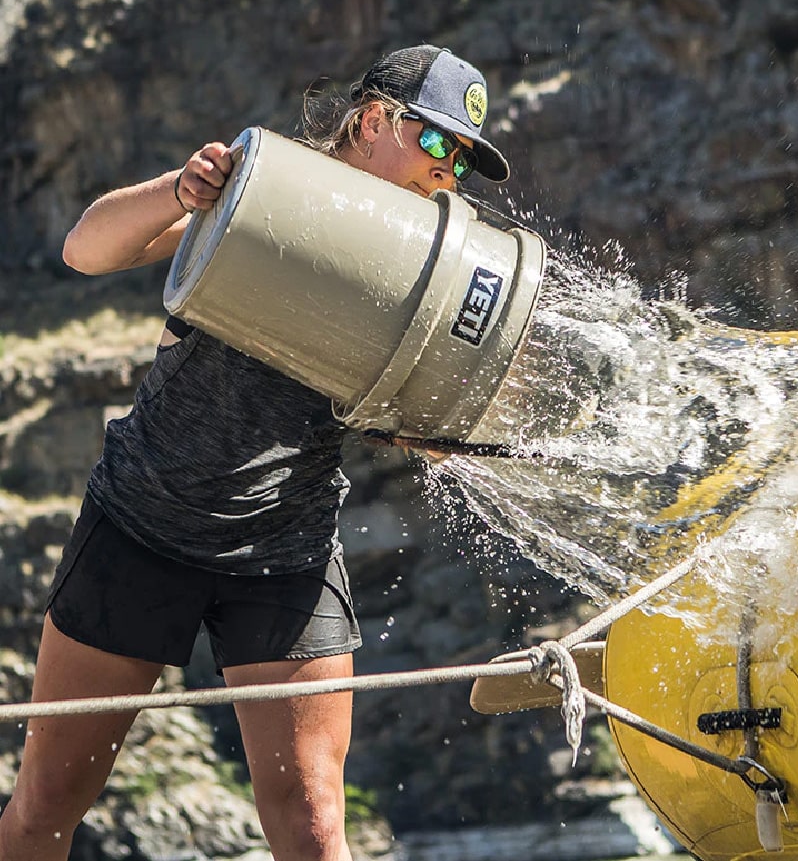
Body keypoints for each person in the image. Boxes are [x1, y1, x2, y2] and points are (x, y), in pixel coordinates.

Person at [0, 45, 511, 861]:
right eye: (441, 147)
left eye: (463, 163)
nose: (448, 175)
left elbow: (417, 415)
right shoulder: (263, 189)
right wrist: (183, 189)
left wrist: (434, 431)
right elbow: (84, 250)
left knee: (313, 824)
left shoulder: (427, 269)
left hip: (286, 550)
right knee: (46, 804)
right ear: (376, 121)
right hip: (144, 523)